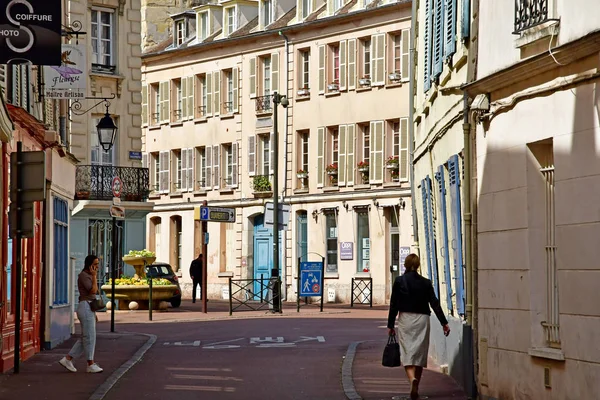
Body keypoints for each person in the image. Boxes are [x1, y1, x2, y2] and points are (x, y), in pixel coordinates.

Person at [387, 254, 450, 400]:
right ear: (418, 265)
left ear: (405, 265)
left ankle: (412, 379)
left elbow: (393, 304)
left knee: (407, 352)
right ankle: (417, 384)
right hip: (422, 319)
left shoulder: (399, 281)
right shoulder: (426, 283)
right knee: (420, 352)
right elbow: (434, 303)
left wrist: (390, 324)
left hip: (405, 319)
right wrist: (444, 323)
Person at [59, 255, 104, 373]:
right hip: (85, 306)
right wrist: (94, 277)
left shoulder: (89, 275)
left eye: (97, 264)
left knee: (86, 336)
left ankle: (68, 359)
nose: (97, 267)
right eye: (95, 264)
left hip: (89, 307)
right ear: (89, 264)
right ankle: (90, 364)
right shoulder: (84, 276)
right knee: (89, 337)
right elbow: (92, 291)